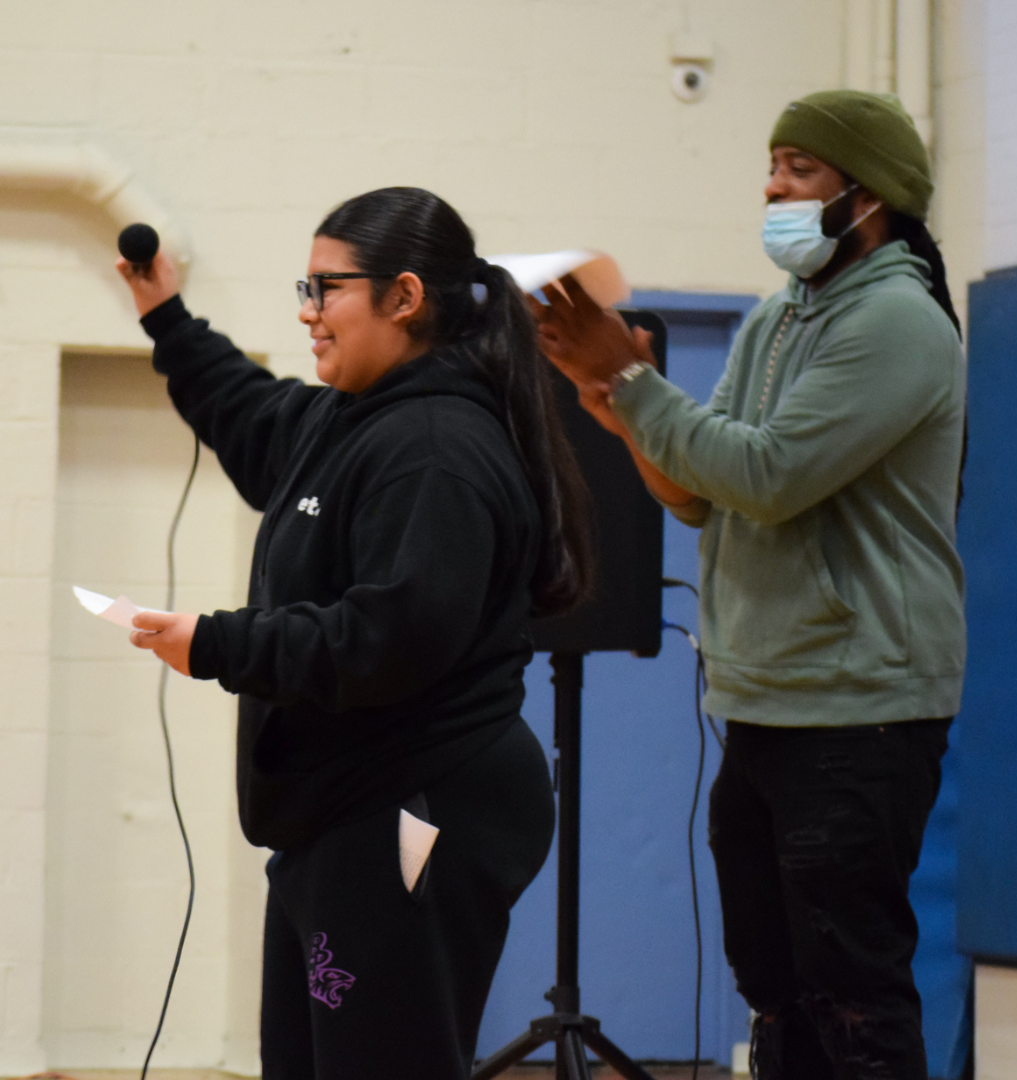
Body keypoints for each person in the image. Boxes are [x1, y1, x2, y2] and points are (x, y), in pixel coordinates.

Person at [531, 91, 966, 1080]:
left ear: (872, 193)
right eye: (770, 165)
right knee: (776, 990)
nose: (772, 186)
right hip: (768, 699)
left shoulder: (899, 321)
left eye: (799, 168)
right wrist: (614, 402)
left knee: (852, 995)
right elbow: (695, 493)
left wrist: (639, 390)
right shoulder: (776, 319)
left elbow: (766, 478)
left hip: (858, 707)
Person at [116, 187, 593, 1080]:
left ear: (404, 297)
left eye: (325, 288)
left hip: (413, 811)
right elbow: (249, 411)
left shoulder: (437, 448)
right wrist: (166, 315)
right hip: (340, 819)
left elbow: (388, 640)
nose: (307, 311)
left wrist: (217, 643)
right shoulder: (349, 418)